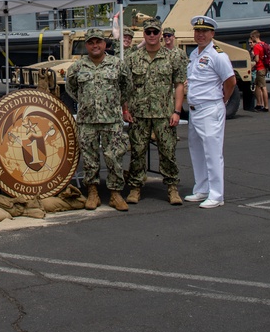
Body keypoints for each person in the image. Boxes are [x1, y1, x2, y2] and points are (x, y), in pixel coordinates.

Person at [65, 29, 132, 212]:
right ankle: (92, 192)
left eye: (98, 42)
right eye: (91, 42)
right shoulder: (78, 67)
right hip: (87, 121)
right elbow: (71, 88)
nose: (95, 45)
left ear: (105, 44)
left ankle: (115, 193)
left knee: (114, 157)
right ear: (86, 45)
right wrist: (85, 102)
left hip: (112, 120)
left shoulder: (117, 64)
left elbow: (127, 87)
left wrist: (114, 103)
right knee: (90, 159)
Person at [121, 17, 186, 205]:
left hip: (164, 115)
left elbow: (179, 85)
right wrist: (125, 109)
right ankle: (135, 187)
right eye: (148, 32)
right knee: (137, 153)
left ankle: (172, 188)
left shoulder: (173, 57)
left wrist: (177, 112)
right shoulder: (133, 58)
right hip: (138, 114)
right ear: (144, 34)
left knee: (167, 152)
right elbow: (125, 86)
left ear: (160, 34)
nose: (151, 35)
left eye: (155, 32)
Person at [183, 15, 237, 209]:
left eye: (204, 31)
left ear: (212, 33)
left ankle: (217, 194)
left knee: (212, 152)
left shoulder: (217, 54)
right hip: (195, 109)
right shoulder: (194, 54)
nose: (200, 35)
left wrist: (223, 99)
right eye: (197, 31)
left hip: (210, 108)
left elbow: (230, 81)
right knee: (196, 150)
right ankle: (202, 188)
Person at [249, 30, 269, 112]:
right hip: (264, 67)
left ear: (254, 37)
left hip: (260, 68)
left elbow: (257, 59)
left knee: (263, 87)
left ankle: (266, 106)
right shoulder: (264, 44)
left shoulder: (257, 46)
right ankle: (259, 104)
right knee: (258, 86)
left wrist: (253, 56)